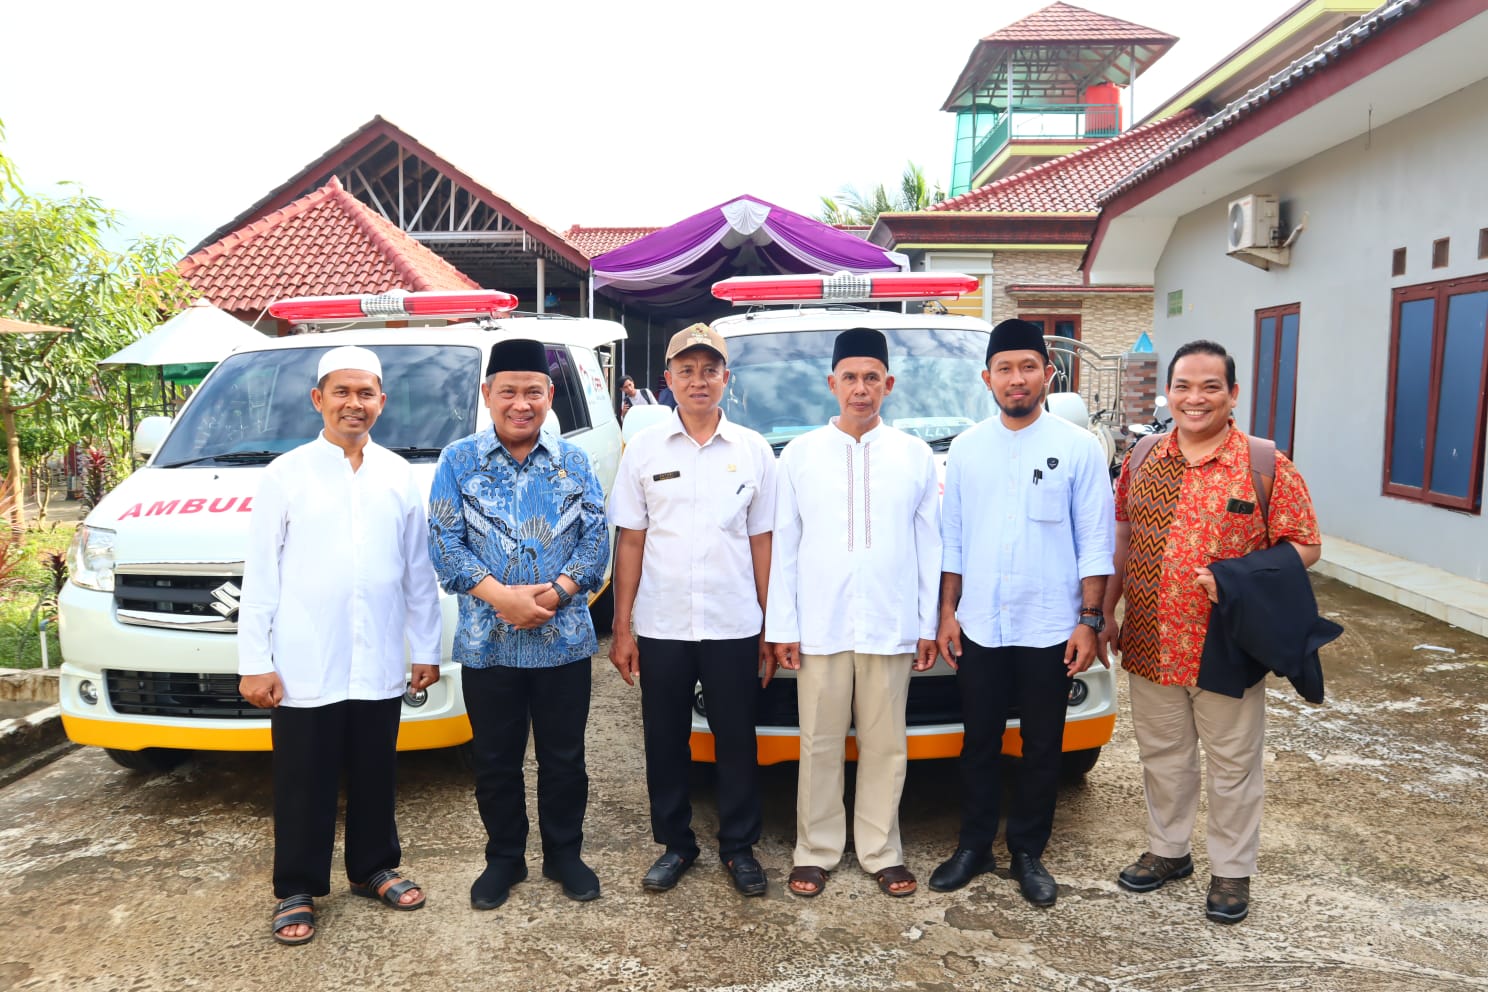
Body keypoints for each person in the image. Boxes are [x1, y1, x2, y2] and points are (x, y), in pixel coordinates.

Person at [1102, 339, 1321, 925]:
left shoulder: (1264, 464)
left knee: (1232, 764)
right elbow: (1121, 538)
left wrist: (1240, 577)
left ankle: (1231, 870)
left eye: (1210, 387)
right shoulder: (1144, 458)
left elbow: (1306, 544)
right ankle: (1169, 851)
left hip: (1226, 643)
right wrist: (1106, 611)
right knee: (1164, 757)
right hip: (1149, 640)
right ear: (1167, 392)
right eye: (1184, 386)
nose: (1195, 399)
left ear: (1232, 394)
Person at [238, 345, 442, 947]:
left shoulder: (399, 475)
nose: (354, 404)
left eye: (366, 393)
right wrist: (255, 663)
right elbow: (260, 574)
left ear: (381, 401)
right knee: (304, 776)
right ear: (318, 400)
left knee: (377, 768)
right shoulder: (286, 475)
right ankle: (297, 888)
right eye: (341, 392)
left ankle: (373, 867)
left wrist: (425, 648)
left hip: (377, 654)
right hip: (306, 659)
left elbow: (417, 573)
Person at [929, 319, 1114, 907]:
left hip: (1050, 628)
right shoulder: (966, 448)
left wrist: (1090, 620)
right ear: (987, 378)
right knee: (978, 742)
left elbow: (1095, 542)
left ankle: (1028, 852)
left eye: (1028, 367)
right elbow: (952, 539)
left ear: (1048, 374)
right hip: (981, 623)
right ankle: (975, 845)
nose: (1017, 379)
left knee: (1043, 747)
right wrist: (948, 612)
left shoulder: (1079, 448)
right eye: (1005, 368)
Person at [427, 338, 610, 910]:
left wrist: (556, 592)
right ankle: (504, 859)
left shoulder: (573, 461)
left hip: (564, 642)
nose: (521, 403)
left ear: (550, 395)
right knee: (496, 761)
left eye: (533, 391)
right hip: (488, 644)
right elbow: (443, 542)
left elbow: (597, 540)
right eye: (508, 391)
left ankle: (564, 854)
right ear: (487, 396)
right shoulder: (458, 461)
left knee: (564, 758)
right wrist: (501, 598)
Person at [766, 327, 941, 899]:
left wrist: (925, 624)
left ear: (888, 385)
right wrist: (783, 628)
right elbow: (785, 547)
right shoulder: (800, 454)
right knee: (817, 740)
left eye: (872, 378)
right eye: (850, 378)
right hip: (820, 624)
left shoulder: (914, 456)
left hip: (890, 625)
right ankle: (815, 850)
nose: (860, 389)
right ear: (831, 384)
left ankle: (880, 850)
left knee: (886, 742)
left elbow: (928, 549)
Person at [607, 323, 776, 897]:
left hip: (733, 622)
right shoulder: (645, 451)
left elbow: (763, 542)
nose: (699, 381)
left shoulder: (753, 451)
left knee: (736, 737)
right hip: (662, 623)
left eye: (710, 370)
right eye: (687, 370)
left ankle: (739, 847)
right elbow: (630, 539)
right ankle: (675, 843)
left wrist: (770, 624)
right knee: (665, 737)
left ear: (727, 378)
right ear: (668, 379)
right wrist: (622, 626)